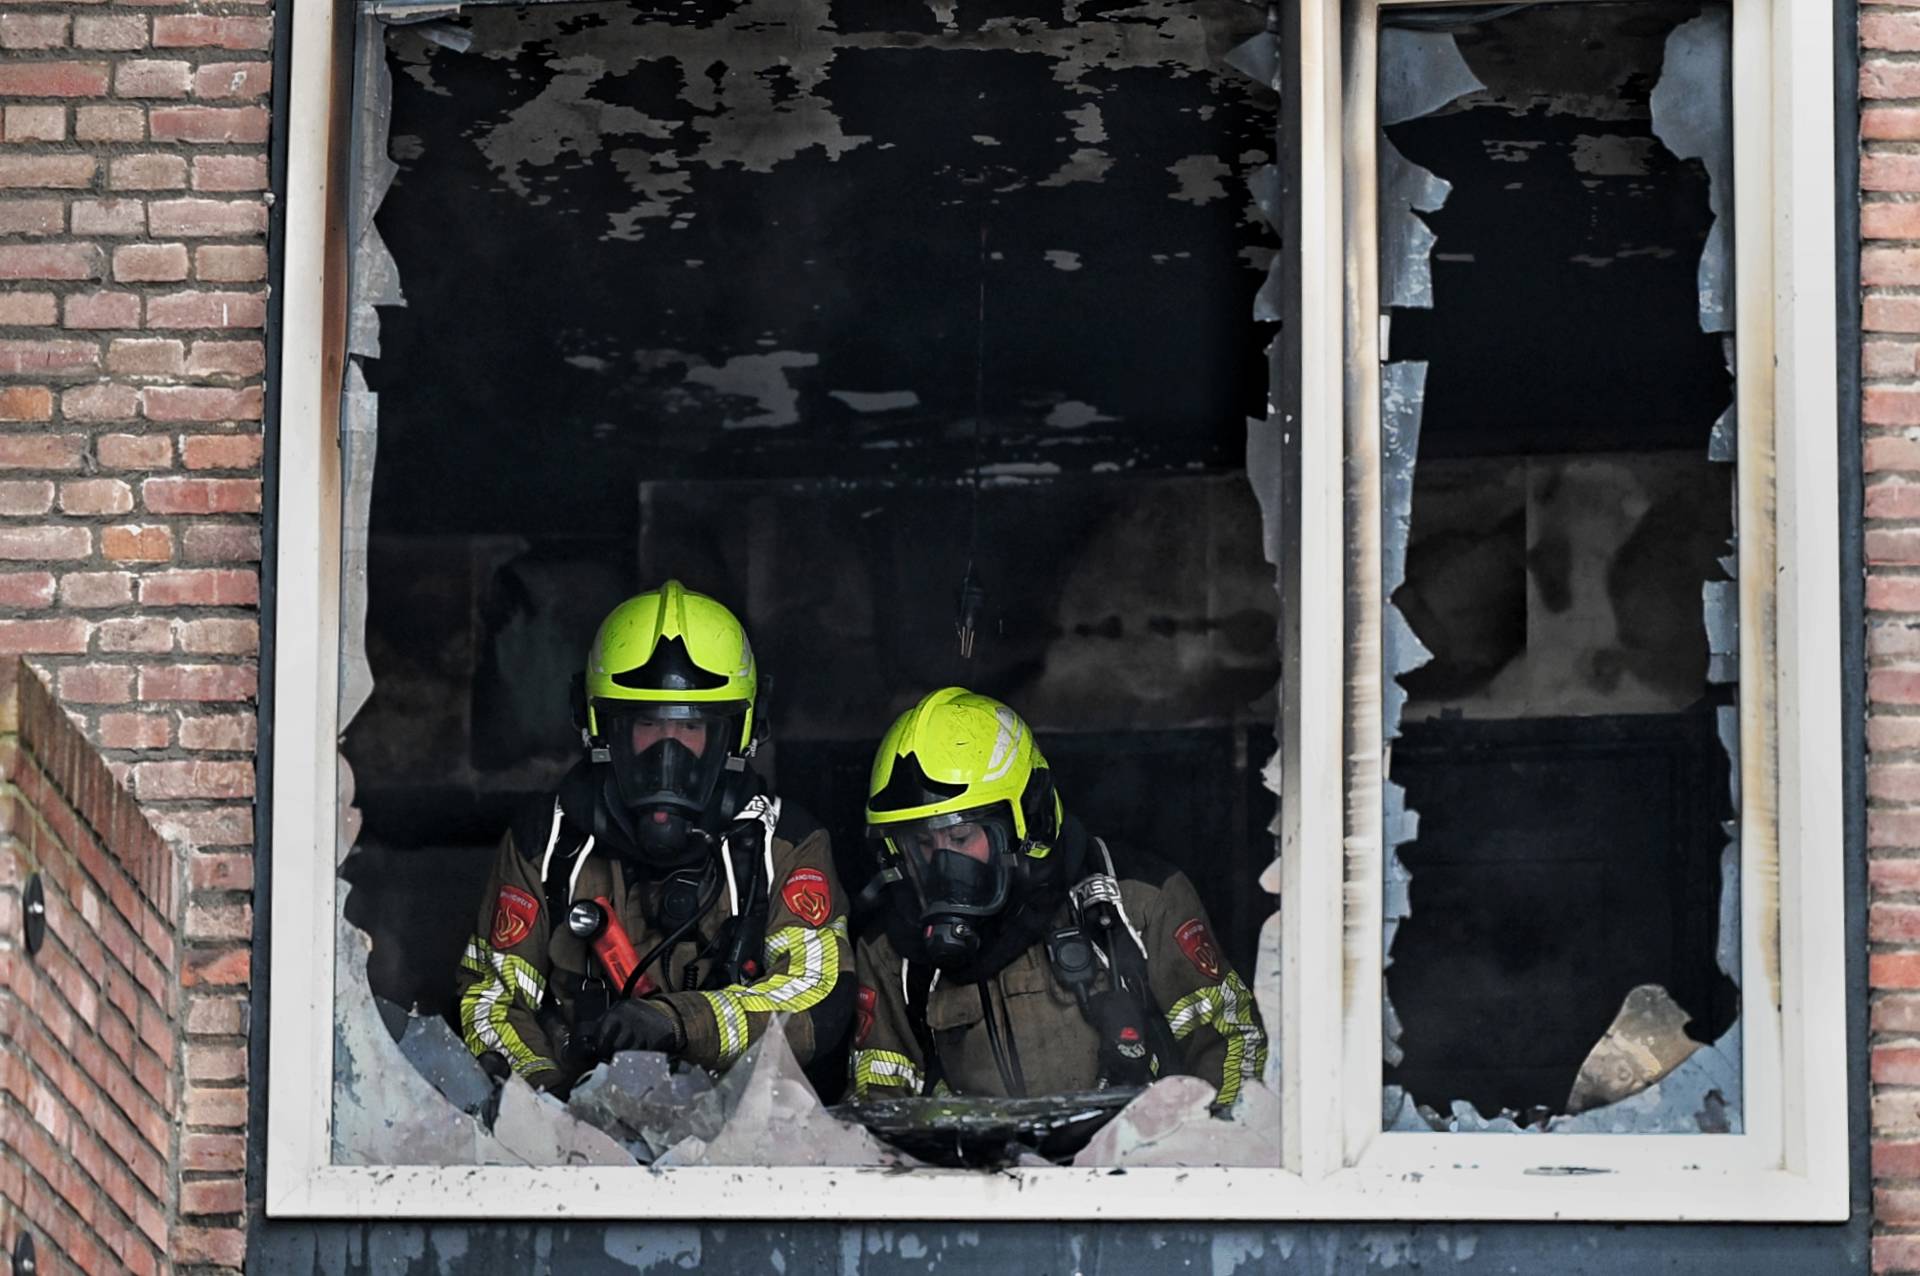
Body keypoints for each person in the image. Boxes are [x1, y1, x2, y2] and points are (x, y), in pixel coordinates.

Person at [454, 580, 851, 1092]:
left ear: (738, 733)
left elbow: (815, 998)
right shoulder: (546, 843)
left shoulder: (785, 845)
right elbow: (491, 1000)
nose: (669, 755)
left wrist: (679, 1021)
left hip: (740, 1144)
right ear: (600, 728)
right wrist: (550, 1110)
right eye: (646, 724)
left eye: (691, 730)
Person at [847, 687, 1267, 1105]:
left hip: (1138, 1165)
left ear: (1031, 821)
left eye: (960, 836)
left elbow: (1233, 1048)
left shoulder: (1138, 902)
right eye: (921, 843)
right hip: (972, 1170)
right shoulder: (891, 954)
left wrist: (1196, 1157)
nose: (942, 864)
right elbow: (878, 1110)